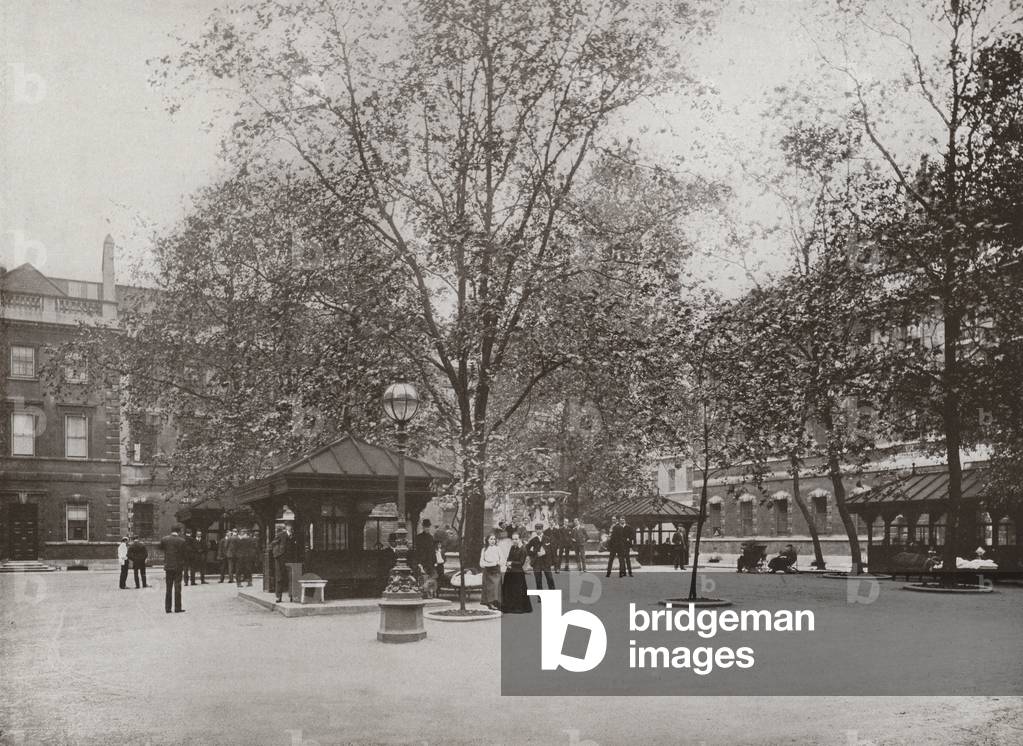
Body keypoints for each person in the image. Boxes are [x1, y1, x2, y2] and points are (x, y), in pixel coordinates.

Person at [500, 533, 532, 614]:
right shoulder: (512, 547)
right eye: (513, 539)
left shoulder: (523, 549)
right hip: (510, 571)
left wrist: (511, 563)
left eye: (516, 539)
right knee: (508, 589)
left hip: (518, 572)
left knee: (518, 590)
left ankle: (518, 608)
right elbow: (509, 558)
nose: (514, 541)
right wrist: (508, 563)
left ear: (519, 539)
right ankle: (508, 607)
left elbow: (521, 562)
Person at [159, 526, 187, 613]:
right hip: (178, 566)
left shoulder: (164, 539)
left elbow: (161, 548)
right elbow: (184, 554)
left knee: (168, 587)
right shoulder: (182, 541)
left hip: (168, 566)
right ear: (179, 531)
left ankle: (168, 608)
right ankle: (177, 608)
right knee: (177, 587)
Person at [525, 523, 556, 591]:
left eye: (540, 529)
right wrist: (534, 553)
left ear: (542, 530)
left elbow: (552, 549)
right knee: (538, 580)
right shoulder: (533, 540)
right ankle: (540, 596)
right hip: (537, 562)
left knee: (550, 578)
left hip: (546, 562)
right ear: (535, 530)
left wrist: (545, 552)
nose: (538, 531)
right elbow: (526, 549)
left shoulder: (547, 539)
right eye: (537, 529)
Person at [479, 534, 502, 610]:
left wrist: (498, 563)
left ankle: (497, 603)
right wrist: (491, 563)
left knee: (496, 585)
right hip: (488, 571)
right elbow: (481, 563)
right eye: (491, 539)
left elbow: (502, 559)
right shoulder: (484, 549)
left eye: (494, 539)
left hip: (496, 571)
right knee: (489, 587)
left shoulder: (498, 549)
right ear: (487, 540)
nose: (493, 541)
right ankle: (490, 603)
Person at [269, 526, 291, 603]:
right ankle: (278, 596)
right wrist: (277, 554)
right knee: (279, 577)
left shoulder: (294, 534)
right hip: (281, 558)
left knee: (291, 577)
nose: (290, 527)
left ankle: (292, 596)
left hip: (291, 559)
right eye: (289, 525)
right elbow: (272, 544)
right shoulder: (281, 534)